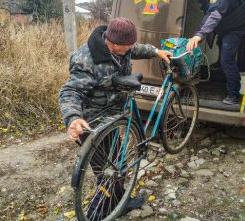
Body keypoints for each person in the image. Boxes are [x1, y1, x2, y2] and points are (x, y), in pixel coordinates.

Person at [58, 17, 172, 219]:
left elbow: (137, 49)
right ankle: (96, 214)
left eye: (129, 46)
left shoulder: (125, 46)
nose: (127, 51)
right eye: (122, 47)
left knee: (119, 163)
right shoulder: (85, 59)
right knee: (105, 173)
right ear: (108, 39)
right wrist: (73, 117)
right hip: (93, 121)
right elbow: (70, 91)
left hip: (113, 116)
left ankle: (121, 201)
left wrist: (156, 52)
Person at [183, 0, 245, 105]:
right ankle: (221, 69)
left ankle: (233, 94)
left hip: (237, 25)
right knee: (222, 44)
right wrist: (199, 33)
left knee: (227, 57)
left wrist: (199, 35)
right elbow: (209, 14)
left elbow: (214, 15)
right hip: (228, 23)